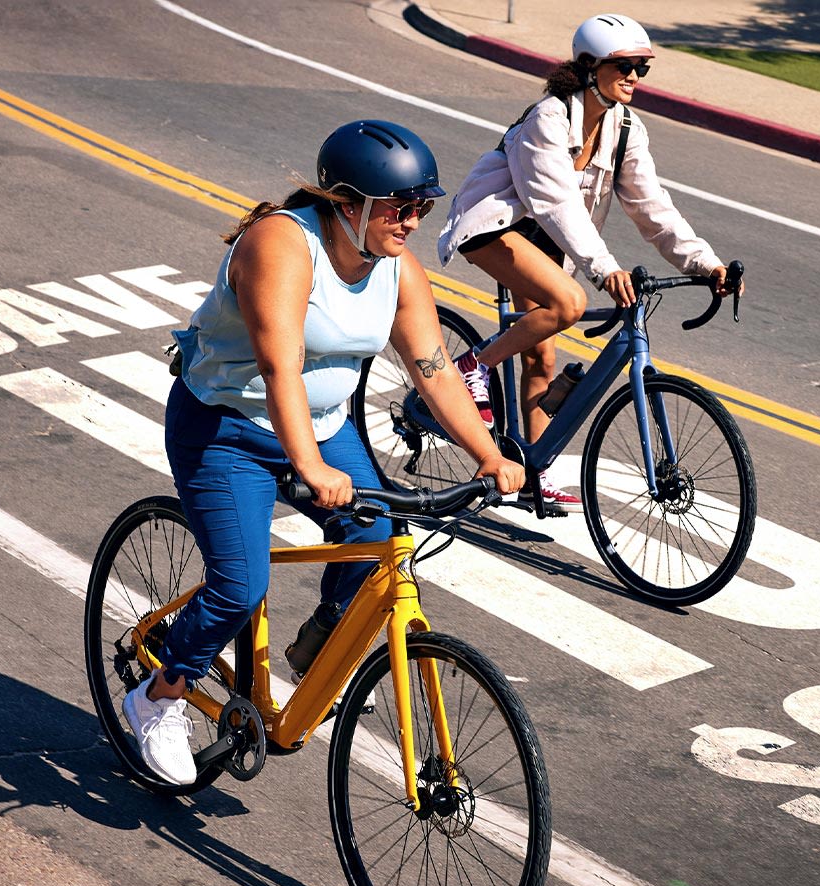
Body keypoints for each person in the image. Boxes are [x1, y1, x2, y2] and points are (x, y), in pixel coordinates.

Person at [125, 120, 525, 783]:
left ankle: (320, 647)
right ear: (348, 203)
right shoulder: (281, 245)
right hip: (227, 426)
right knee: (240, 585)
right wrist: (308, 466)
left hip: (323, 423)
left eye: (422, 207)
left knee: (375, 540)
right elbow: (280, 364)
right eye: (401, 208)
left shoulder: (396, 270)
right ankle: (157, 697)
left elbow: (434, 368)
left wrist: (490, 454)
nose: (414, 221)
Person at [435, 13, 742, 510]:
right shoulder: (548, 119)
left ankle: (535, 472)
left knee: (542, 355)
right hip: (497, 227)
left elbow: (651, 206)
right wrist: (603, 267)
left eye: (643, 67)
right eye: (624, 65)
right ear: (588, 66)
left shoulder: (625, 128)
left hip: (554, 242)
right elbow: (553, 202)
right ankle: (473, 365)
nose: (635, 77)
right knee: (570, 301)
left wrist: (705, 265)